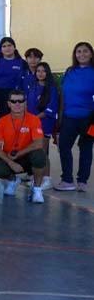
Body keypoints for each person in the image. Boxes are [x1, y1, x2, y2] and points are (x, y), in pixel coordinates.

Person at [0, 90, 47, 203]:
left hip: (27, 156)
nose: (17, 104)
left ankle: (37, 189)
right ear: (9, 104)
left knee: (40, 156)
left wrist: (19, 153)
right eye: (13, 101)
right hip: (10, 157)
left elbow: (39, 143)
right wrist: (11, 163)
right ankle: (13, 180)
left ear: (25, 103)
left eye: (20, 101)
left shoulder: (34, 119)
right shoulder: (1, 122)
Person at [56, 42, 94, 192]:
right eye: (78, 51)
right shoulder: (69, 71)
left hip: (89, 118)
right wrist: (59, 116)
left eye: (85, 51)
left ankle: (82, 181)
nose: (82, 54)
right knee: (64, 146)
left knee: (86, 148)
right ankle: (67, 180)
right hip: (68, 117)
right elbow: (62, 94)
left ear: (91, 54)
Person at [26, 62, 58, 190]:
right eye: (38, 71)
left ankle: (47, 179)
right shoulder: (32, 86)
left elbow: (51, 108)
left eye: (43, 71)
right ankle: (36, 178)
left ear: (47, 73)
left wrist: (35, 118)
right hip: (32, 123)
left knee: (42, 152)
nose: (40, 73)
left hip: (44, 123)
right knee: (34, 152)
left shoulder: (52, 89)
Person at [0, 37, 26, 119]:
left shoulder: (22, 63)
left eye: (9, 45)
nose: (7, 48)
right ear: (1, 49)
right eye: (4, 46)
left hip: (16, 98)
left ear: (14, 47)